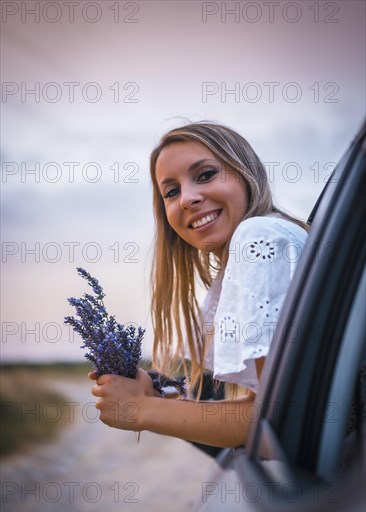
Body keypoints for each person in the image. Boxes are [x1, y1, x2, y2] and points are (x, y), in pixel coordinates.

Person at [89, 121, 309, 449]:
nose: (188, 199)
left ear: (245, 173)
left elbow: (281, 424)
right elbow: (266, 414)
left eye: (205, 175)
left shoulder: (260, 238)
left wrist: (141, 410)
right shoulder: (269, 241)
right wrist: (162, 399)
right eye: (172, 192)